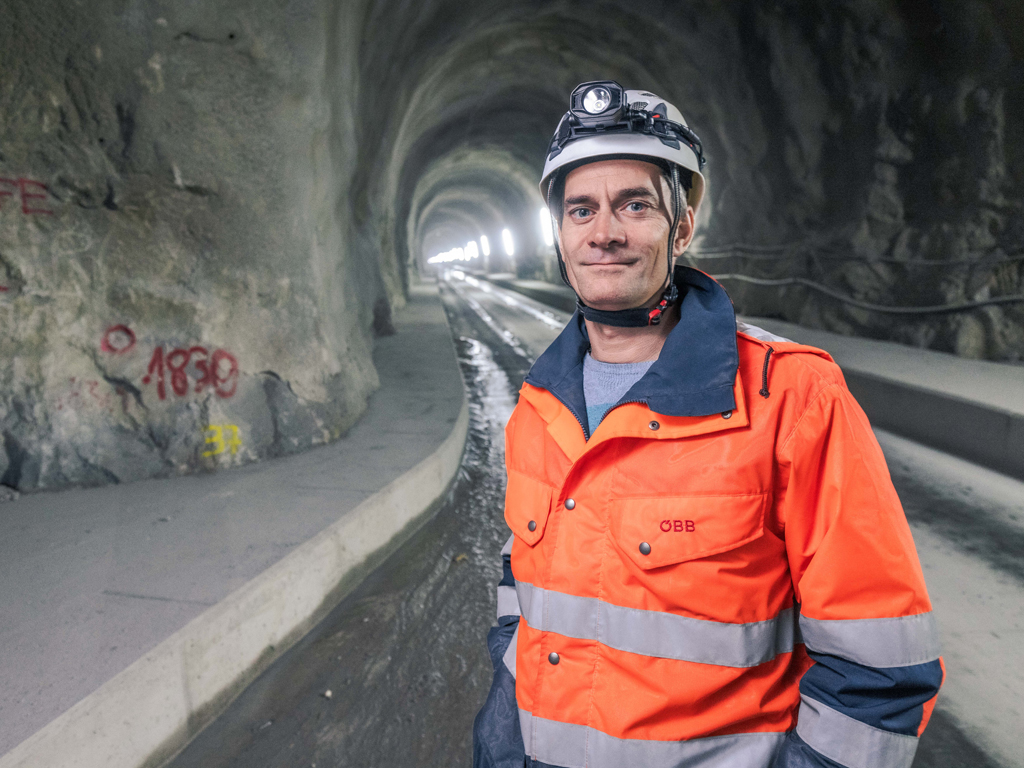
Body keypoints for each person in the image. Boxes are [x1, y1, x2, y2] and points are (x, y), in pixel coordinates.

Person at [472, 81, 943, 768]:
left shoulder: (790, 398)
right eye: (581, 209)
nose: (604, 231)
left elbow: (879, 667)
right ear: (561, 233)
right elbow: (527, 600)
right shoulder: (539, 406)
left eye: (634, 204)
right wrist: (499, 743)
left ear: (683, 226)